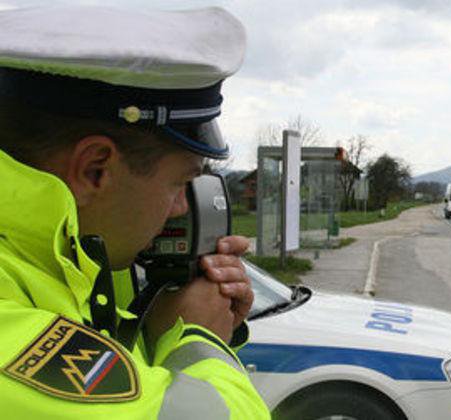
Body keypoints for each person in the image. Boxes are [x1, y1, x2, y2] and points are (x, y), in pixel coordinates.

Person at [0, 5, 270, 419]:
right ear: (95, 170)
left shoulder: (66, 264)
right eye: (180, 183)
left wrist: (167, 295)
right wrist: (197, 339)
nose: (182, 206)